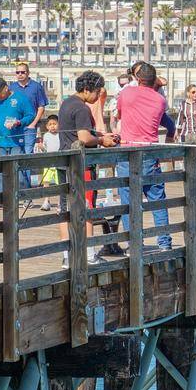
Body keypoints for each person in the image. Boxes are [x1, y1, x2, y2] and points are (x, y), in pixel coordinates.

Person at [56, 70, 121, 265]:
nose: (98, 94)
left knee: (65, 209)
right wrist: (102, 140)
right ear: (87, 90)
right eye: (97, 91)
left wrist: (98, 135)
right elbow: (84, 139)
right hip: (81, 165)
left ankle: (67, 257)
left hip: (64, 163)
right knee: (87, 207)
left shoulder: (66, 103)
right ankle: (90, 255)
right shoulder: (82, 108)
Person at [114, 61, 175, 251]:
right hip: (150, 153)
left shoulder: (126, 93)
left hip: (127, 152)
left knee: (128, 202)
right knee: (157, 200)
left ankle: (135, 244)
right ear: (153, 80)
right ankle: (164, 243)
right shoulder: (160, 100)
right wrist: (171, 136)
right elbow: (167, 122)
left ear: (138, 79)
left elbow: (120, 114)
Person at [0, 77, 36, 194]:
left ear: (6, 88)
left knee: (19, 171)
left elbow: (30, 115)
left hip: (16, 141)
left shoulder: (20, 98)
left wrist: (19, 122)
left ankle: (24, 196)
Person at [10, 62, 49, 153]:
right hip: (15, 127)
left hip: (30, 126)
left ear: (28, 73)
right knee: (16, 153)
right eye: (17, 72)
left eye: (23, 72)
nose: (20, 74)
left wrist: (33, 124)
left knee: (28, 152)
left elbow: (41, 106)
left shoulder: (36, 87)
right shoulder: (12, 87)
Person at [38, 115, 61, 210]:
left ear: (59, 125)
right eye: (50, 124)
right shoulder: (46, 135)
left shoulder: (61, 135)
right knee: (46, 182)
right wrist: (41, 147)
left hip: (59, 163)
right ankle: (46, 201)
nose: (52, 126)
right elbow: (44, 149)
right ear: (47, 126)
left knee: (60, 183)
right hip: (48, 162)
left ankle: (61, 202)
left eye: (54, 124)